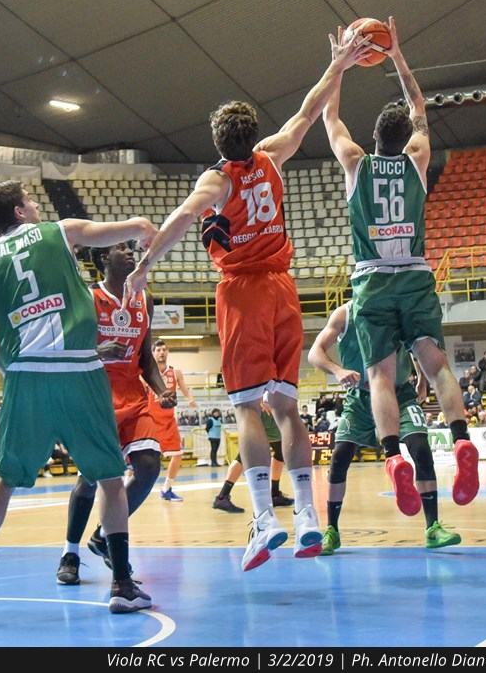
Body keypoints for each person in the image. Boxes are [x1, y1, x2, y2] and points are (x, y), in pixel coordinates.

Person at [126, 30, 372, 571]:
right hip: (285, 289)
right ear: (254, 134)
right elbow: (309, 111)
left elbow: (181, 218)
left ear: (218, 143)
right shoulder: (272, 157)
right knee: (287, 409)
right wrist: (338, 65)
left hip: (242, 293)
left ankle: (263, 518)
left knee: (245, 408)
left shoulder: (218, 181)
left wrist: (145, 266)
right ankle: (306, 514)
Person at [0, 180, 157, 622]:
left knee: (3, 479)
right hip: (79, 371)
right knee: (110, 478)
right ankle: (122, 586)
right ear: (19, 212)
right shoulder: (60, 230)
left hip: (26, 377)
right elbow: (137, 226)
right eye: (30, 201)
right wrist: (146, 237)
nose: (36, 206)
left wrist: (6, 364)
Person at [320, 16, 479, 515]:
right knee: (437, 365)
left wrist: (339, 64)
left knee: (381, 377)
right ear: (407, 135)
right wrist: (397, 56)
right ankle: (461, 439)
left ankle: (392, 458)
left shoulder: (355, 162)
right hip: (415, 275)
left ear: (372, 137)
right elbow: (419, 106)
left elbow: (329, 116)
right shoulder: (418, 156)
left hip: (371, 281)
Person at [56, 243, 176, 587]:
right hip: (96, 395)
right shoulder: (88, 297)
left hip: (134, 396)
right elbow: (66, 348)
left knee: (149, 467)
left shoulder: (144, 299)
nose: (130, 252)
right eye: (121, 248)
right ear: (103, 258)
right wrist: (97, 351)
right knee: (90, 479)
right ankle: (70, 553)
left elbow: (145, 358)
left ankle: (101, 536)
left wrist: (160, 390)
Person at [307, 302, 460, 554]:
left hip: (401, 393)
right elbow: (314, 352)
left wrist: (422, 378)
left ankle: (433, 527)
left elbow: (416, 346)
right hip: (360, 397)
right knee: (340, 456)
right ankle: (331, 530)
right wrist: (337, 370)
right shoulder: (345, 314)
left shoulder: (393, 305)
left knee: (421, 448)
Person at [212, 400, 294, 514]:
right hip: (263, 410)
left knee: (279, 451)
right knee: (245, 454)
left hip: (263, 409)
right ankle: (222, 496)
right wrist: (265, 399)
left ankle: (275, 494)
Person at [148, 340, 198, 501]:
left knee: (177, 454)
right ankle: (128, 486)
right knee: (144, 458)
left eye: (164, 349)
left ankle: (167, 488)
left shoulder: (175, 372)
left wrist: (190, 399)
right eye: (158, 350)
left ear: (167, 352)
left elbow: (184, 388)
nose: (161, 352)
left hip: (169, 420)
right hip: (150, 421)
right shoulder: (147, 373)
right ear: (153, 353)